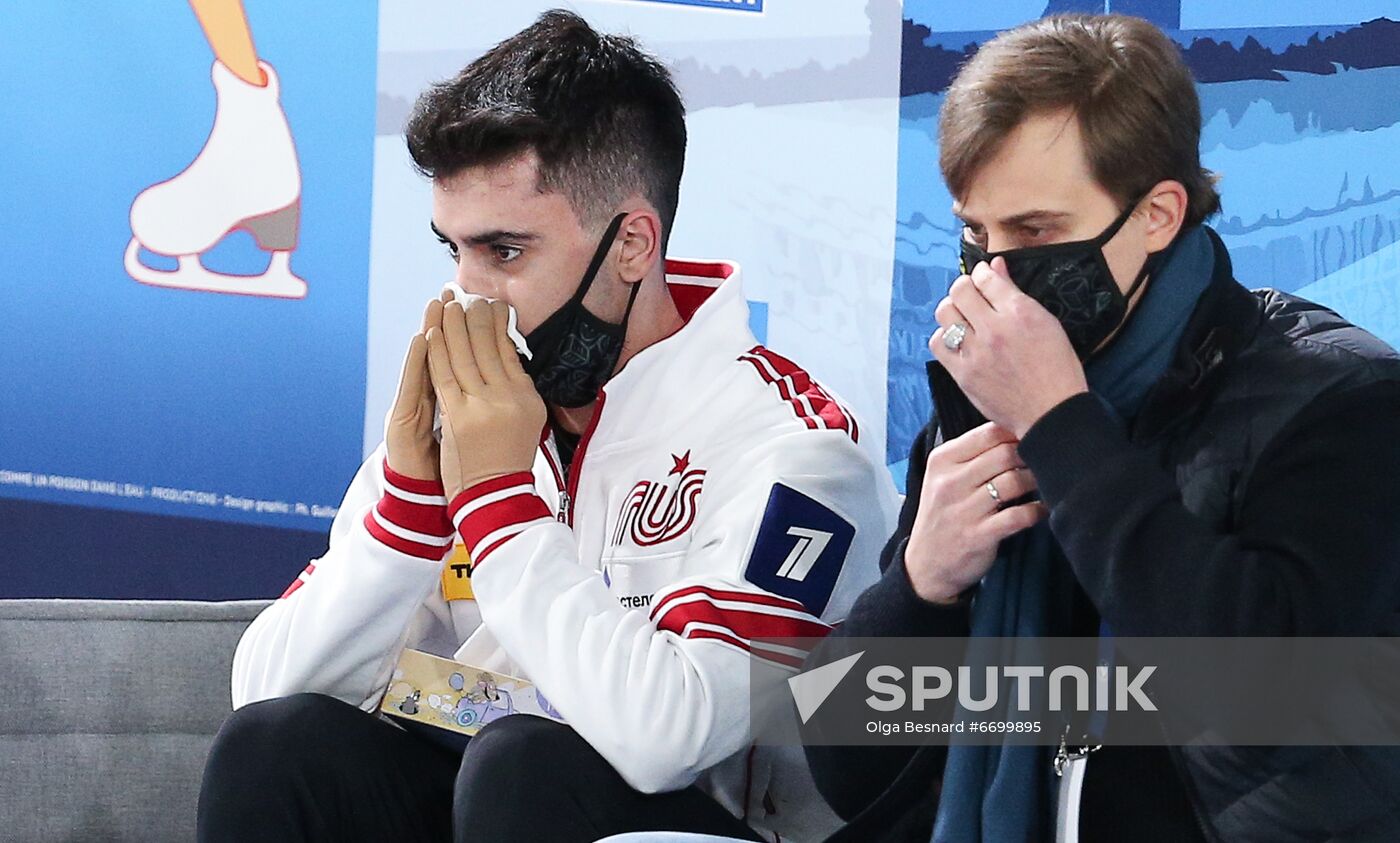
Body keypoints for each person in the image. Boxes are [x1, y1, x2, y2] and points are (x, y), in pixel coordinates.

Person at [196, 9, 898, 843]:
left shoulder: (796, 448)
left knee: (521, 767)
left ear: (634, 244)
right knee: (277, 746)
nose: (468, 296)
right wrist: (411, 507)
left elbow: (667, 739)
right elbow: (267, 693)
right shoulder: (482, 414)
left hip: (696, 824)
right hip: (491, 795)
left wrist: (496, 505)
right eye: (452, 251)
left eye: (506, 253)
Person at [804, 13, 1400, 843]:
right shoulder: (978, 410)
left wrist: (1061, 426)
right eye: (976, 235)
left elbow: (1272, 708)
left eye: (1037, 232)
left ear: (1158, 213)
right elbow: (841, 770)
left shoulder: (1338, 397)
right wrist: (919, 584)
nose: (996, 278)